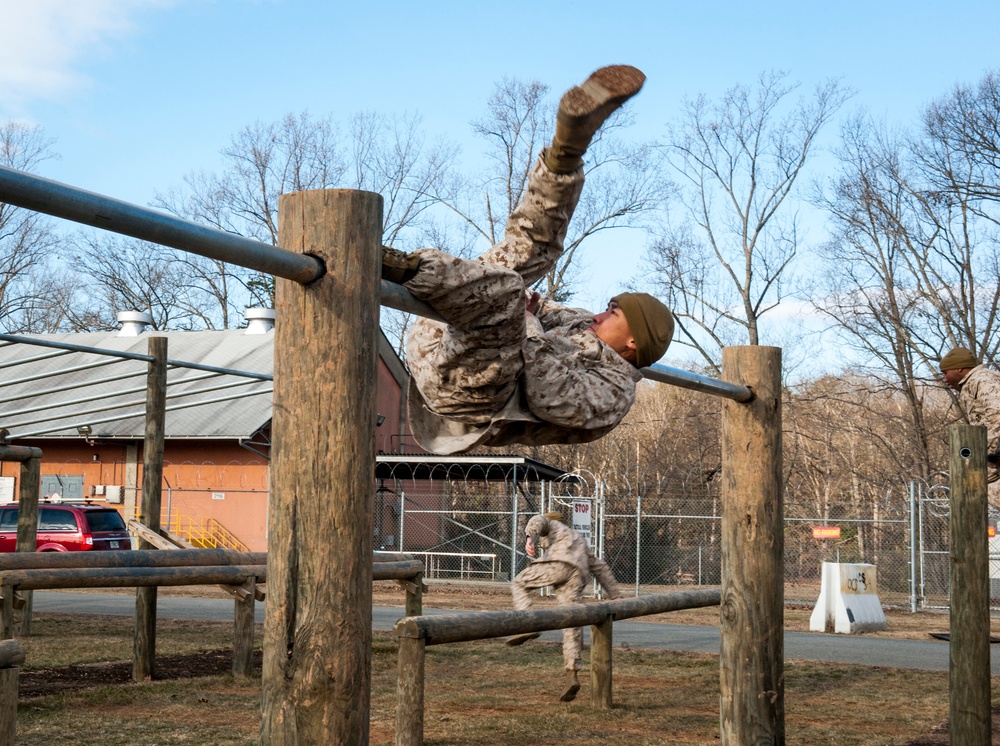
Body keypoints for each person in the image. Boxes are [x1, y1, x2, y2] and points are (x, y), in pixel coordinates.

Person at [381, 65, 674, 455]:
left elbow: (548, 394)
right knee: (528, 254)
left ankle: (411, 270)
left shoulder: (614, 388)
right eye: (607, 307)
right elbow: (532, 303)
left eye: (613, 314)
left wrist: (528, 322)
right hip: (439, 338)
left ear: (634, 340)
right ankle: (565, 153)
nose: (599, 316)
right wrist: (533, 310)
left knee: (503, 293)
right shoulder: (580, 324)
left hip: (468, 398)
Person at [505, 510, 622, 702]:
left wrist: (529, 537)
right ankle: (572, 673)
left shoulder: (552, 525)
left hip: (559, 565)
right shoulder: (580, 540)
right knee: (572, 623)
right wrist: (615, 594)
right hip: (578, 575)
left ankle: (526, 623)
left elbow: (538, 520)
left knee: (518, 583)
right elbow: (600, 567)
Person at [939, 346, 1000, 507]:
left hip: (993, 459)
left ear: (959, 368)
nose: (944, 379)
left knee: (978, 490)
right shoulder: (972, 384)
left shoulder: (982, 381)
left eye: (945, 373)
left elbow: (998, 417)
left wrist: (987, 460)